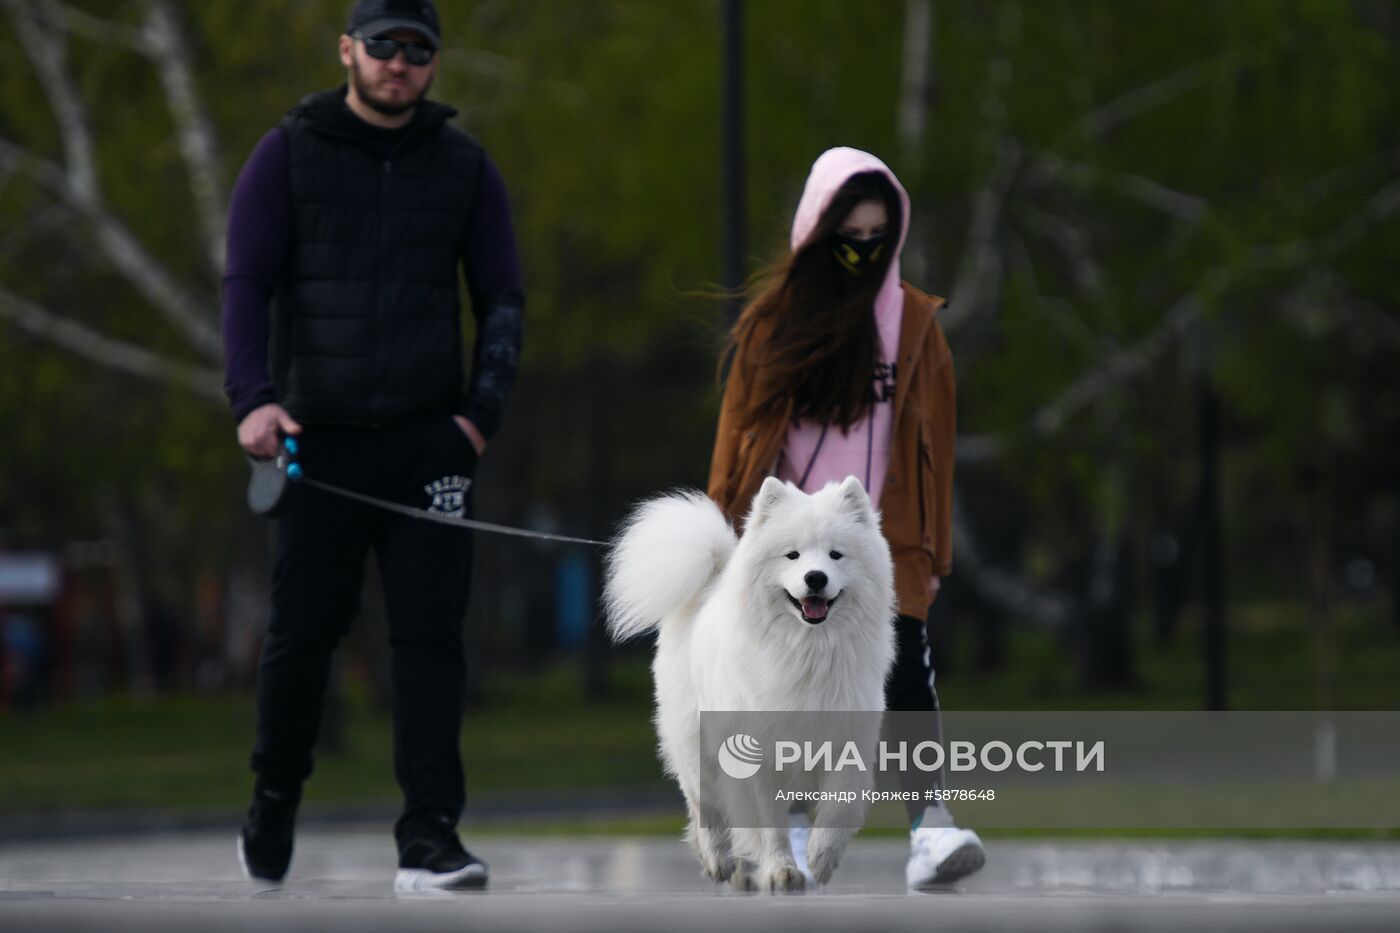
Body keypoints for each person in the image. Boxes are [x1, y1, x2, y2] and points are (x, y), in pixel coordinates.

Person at [221, 0, 523, 892]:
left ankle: (429, 836)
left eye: (419, 49)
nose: (401, 62)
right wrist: (254, 401)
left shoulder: (465, 166)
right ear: (347, 49)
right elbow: (246, 282)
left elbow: (502, 297)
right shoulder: (287, 152)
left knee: (431, 640)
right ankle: (273, 797)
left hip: (432, 443)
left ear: (434, 64)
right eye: (384, 45)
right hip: (320, 442)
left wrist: (478, 419)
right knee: (303, 634)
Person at [707, 146, 985, 887]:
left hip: (882, 537)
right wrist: (720, 535)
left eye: (877, 237)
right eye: (847, 236)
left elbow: (938, 444)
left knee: (904, 679)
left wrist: (932, 547)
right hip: (788, 540)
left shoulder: (916, 325)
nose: (863, 251)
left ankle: (932, 828)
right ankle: (788, 829)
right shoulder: (771, 328)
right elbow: (737, 437)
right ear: (816, 232)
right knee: (779, 687)